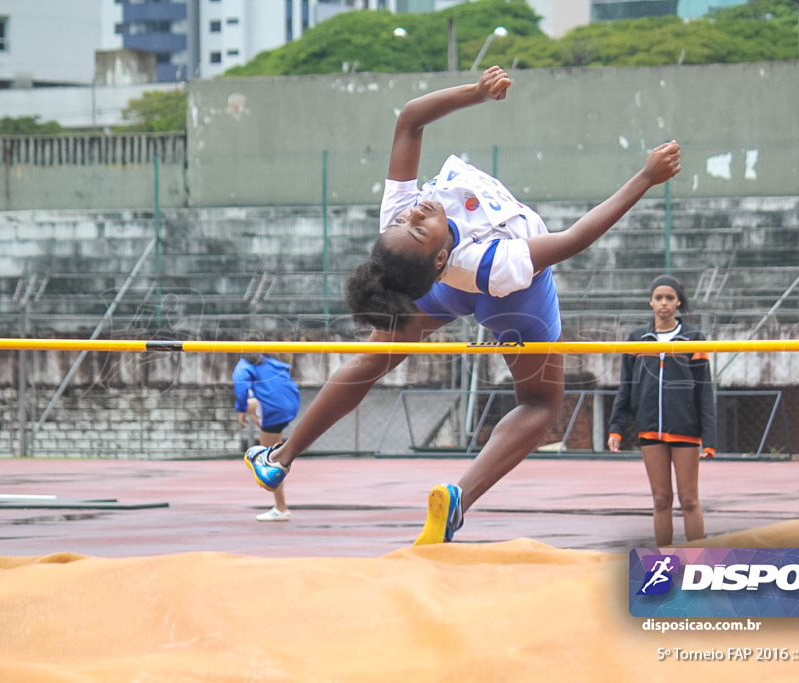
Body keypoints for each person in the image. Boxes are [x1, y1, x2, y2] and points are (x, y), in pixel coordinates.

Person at [245, 65, 682, 544]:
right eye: (416, 226)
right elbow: (575, 237)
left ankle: (279, 457)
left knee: (374, 356)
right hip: (513, 296)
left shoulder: (400, 229)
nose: (416, 211)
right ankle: (459, 496)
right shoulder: (493, 263)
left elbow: (411, 119)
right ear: (435, 257)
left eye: (406, 217)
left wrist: (475, 93)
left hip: (456, 281)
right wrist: (645, 177)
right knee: (539, 405)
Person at [606, 275, 716, 546]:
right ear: (651, 301)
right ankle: (664, 564)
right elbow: (626, 388)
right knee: (660, 499)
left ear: (678, 301)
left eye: (669, 298)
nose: (664, 303)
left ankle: (697, 562)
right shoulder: (637, 339)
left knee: (689, 500)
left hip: (686, 429)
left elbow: (704, 391)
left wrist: (710, 437)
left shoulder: (694, 338)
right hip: (650, 428)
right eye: (659, 298)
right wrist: (616, 428)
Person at [234, 349, 301, 521]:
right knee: (249, 408)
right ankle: (262, 424)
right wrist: (243, 410)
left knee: (269, 462)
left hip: (274, 410)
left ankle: (281, 508)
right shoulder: (270, 361)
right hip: (289, 405)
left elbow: (240, 385)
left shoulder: (245, 365)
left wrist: (241, 408)